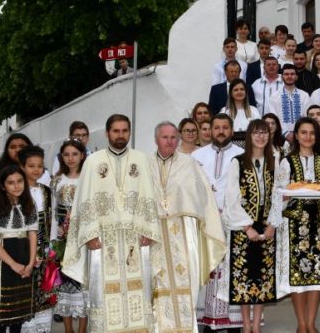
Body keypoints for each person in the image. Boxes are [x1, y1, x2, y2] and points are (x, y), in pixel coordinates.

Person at [62, 114, 161, 332]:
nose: (120, 135)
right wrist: (88, 235)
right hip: (102, 239)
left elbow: (150, 195)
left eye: (125, 131)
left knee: (137, 292)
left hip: (135, 237)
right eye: (116, 131)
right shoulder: (93, 161)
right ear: (107, 133)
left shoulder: (141, 159)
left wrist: (149, 230)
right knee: (104, 294)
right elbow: (84, 200)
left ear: (130, 133)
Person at [148, 122, 226, 333]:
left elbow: (203, 199)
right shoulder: (145, 164)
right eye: (165, 137)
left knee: (185, 284)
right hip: (154, 233)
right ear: (156, 139)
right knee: (156, 285)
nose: (170, 141)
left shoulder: (189, 164)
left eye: (174, 137)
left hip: (184, 231)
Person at [273, 117, 320, 333]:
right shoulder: (287, 161)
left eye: (312, 133)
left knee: (317, 276)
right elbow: (280, 192)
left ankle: (311, 323)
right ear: (297, 136)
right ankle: (301, 324)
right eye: (303, 132)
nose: (308, 137)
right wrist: (292, 192)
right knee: (298, 277)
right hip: (295, 223)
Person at [190, 114, 245, 331]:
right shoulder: (196, 156)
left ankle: (232, 321)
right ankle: (206, 319)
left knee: (231, 270)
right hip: (205, 223)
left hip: (232, 222)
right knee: (207, 269)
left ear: (231, 130)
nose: (220, 131)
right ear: (210, 130)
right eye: (217, 128)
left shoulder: (242, 155)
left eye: (225, 127)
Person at [0, 165, 38, 333]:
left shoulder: (29, 204)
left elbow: (32, 234)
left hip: (24, 255)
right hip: (4, 259)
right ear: (2, 185)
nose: (17, 186)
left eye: (20, 181)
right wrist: (13, 264)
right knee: (3, 310)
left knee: (19, 309)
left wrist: (30, 263)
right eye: (11, 182)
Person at [50, 139, 88, 333]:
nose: (71, 158)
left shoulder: (89, 179)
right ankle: (67, 328)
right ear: (61, 157)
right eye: (67, 154)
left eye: (75, 154)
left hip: (84, 238)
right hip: (62, 239)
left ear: (82, 155)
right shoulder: (56, 181)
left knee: (83, 284)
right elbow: (53, 212)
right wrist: (53, 241)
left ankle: (82, 328)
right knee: (64, 283)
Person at [17, 146, 54, 333]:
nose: (36, 170)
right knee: (25, 287)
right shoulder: (17, 190)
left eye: (40, 166)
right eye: (31, 165)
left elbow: (50, 218)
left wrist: (50, 248)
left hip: (44, 244)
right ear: (22, 166)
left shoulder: (46, 191)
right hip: (23, 246)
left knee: (43, 287)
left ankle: (41, 327)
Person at [0, 133, 34, 206]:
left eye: (22, 146)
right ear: (7, 151)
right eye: (13, 147)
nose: (18, 150)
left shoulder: (39, 171)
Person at [268, 64, 311, 141]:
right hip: (280, 136)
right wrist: (286, 133)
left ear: (296, 77)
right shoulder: (274, 96)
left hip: (302, 136)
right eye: (286, 74)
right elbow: (274, 118)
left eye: (292, 74)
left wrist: (299, 133)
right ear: (282, 77)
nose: (289, 76)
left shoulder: (304, 95)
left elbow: (307, 116)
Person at [221, 78, 262, 145]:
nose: (239, 92)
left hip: (250, 146)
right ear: (231, 93)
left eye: (242, 89)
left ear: (246, 92)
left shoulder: (254, 110)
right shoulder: (224, 111)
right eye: (236, 90)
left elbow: (259, 131)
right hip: (230, 146)